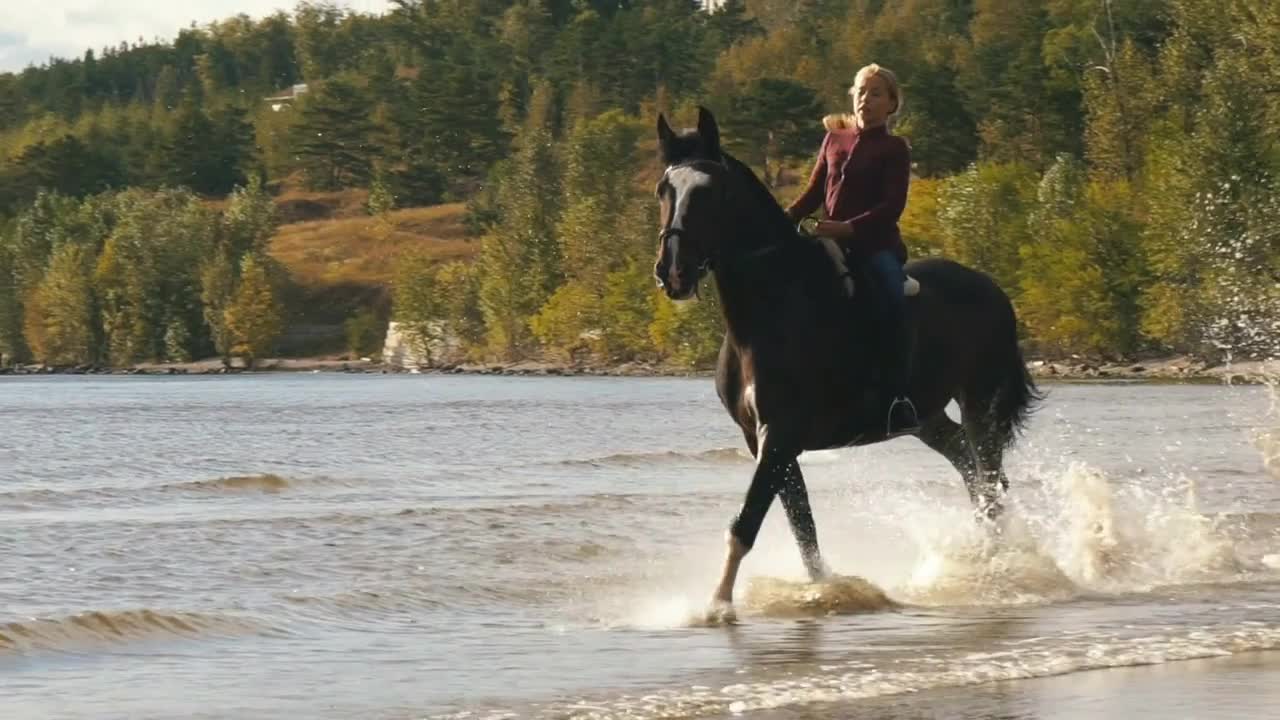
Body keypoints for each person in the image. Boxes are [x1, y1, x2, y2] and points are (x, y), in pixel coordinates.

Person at [783, 63, 919, 437]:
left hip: (875, 247)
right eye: (861, 91)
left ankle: (898, 397)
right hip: (826, 240)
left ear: (891, 104)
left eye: (876, 93)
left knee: (892, 297)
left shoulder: (894, 148)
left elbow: (892, 206)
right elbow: (813, 193)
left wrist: (848, 228)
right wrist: (781, 219)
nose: (866, 99)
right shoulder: (834, 139)